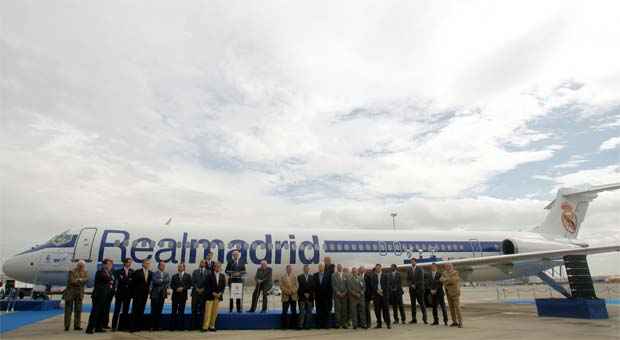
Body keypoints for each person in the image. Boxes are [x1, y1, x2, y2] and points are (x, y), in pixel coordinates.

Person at [86, 259, 114, 334]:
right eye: (108, 264)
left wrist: (111, 279)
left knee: (102, 312)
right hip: (98, 295)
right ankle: (90, 328)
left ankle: (99, 327)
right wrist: (110, 279)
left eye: (111, 264)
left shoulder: (109, 272)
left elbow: (112, 280)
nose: (110, 266)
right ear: (104, 265)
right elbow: (108, 279)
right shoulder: (100, 272)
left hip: (105, 295)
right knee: (95, 312)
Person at [64, 260, 88, 331]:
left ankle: (77, 326)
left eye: (82, 266)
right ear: (77, 265)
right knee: (68, 310)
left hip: (79, 294)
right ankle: (67, 326)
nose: (81, 267)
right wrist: (81, 281)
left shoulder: (85, 272)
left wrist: (78, 280)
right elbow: (72, 281)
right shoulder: (72, 271)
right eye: (80, 265)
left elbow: (86, 280)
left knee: (78, 310)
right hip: (70, 293)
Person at [130, 259, 152, 333]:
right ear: (143, 264)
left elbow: (149, 284)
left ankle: (138, 327)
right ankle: (132, 327)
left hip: (144, 295)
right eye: (146, 263)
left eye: (149, 263)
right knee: (135, 310)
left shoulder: (150, 273)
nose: (148, 265)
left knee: (141, 310)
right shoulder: (137, 272)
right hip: (137, 294)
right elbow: (133, 283)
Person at [203, 262, 226, 332]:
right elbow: (206, 286)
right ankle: (205, 327)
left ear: (220, 267)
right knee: (208, 312)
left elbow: (223, 286)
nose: (217, 268)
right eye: (216, 266)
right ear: (214, 267)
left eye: (219, 266)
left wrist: (220, 293)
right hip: (210, 296)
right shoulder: (209, 275)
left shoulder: (222, 276)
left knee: (215, 312)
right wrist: (213, 293)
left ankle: (212, 326)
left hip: (217, 297)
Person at [111, 258, 133, 331]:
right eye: (128, 262)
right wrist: (127, 280)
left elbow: (131, 282)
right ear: (125, 263)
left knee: (125, 311)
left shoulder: (132, 271)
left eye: (130, 262)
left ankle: (123, 327)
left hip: (128, 294)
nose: (130, 264)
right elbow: (118, 281)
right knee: (116, 311)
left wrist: (125, 280)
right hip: (120, 293)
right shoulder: (118, 271)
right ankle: (114, 326)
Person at [170, 262, 192, 331]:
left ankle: (180, 327)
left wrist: (183, 288)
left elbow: (189, 285)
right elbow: (171, 285)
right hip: (175, 296)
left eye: (181, 267)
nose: (179, 268)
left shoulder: (188, 276)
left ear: (184, 268)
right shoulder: (174, 276)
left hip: (183, 296)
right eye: (178, 267)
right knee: (174, 312)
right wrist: (176, 288)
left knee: (181, 312)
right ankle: (172, 327)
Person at [406, 258, 427, 324]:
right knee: (413, 304)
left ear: (415, 262)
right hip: (412, 290)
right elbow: (408, 279)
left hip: (419, 289)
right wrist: (411, 285)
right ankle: (414, 319)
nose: (412, 262)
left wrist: (415, 284)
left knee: (421, 303)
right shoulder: (409, 270)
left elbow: (421, 279)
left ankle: (424, 319)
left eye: (413, 261)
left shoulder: (420, 269)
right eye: (411, 262)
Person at [440, 263, 462, 328]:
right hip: (448, 292)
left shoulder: (455, 272)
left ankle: (460, 322)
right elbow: (441, 279)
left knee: (457, 308)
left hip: (455, 293)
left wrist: (446, 280)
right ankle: (454, 322)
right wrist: (447, 279)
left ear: (450, 266)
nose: (446, 267)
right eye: (445, 266)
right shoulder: (444, 273)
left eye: (447, 266)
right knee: (451, 308)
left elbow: (453, 281)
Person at [150, 260, 170, 330]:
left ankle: (157, 326)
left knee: (159, 310)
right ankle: (152, 326)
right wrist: (162, 280)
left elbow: (168, 281)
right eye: (161, 265)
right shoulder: (154, 273)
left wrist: (160, 280)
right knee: (153, 310)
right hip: (155, 294)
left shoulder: (166, 273)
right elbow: (155, 281)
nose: (163, 266)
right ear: (158, 266)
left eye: (164, 265)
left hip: (162, 294)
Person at [370, 264, 391, 329]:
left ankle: (388, 324)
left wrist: (382, 290)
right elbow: (372, 285)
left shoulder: (385, 275)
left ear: (380, 268)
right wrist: (377, 290)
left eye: (378, 268)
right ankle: (379, 324)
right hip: (376, 296)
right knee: (377, 310)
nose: (377, 269)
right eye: (376, 268)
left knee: (386, 310)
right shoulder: (373, 276)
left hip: (384, 295)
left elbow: (387, 284)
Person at [313, 263, 332, 329]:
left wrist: (329, 297)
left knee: (326, 311)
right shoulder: (315, 275)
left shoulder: (329, 275)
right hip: (318, 298)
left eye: (322, 266)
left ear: (324, 267)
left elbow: (330, 287)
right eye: (319, 266)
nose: (320, 267)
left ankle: (327, 325)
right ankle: (319, 325)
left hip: (326, 297)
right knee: (318, 312)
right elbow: (314, 287)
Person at [191, 260, 209, 330]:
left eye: (204, 263)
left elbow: (208, 283)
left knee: (203, 311)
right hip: (195, 293)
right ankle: (193, 326)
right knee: (194, 310)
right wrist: (197, 288)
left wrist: (203, 289)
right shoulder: (195, 271)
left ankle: (202, 326)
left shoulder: (208, 272)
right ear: (199, 263)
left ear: (205, 264)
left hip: (204, 294)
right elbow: (193, 281)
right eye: (201, 262)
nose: (202, 263)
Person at [280, 264, 299, 329]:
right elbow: (281, 286)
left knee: (294, 311)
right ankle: (284, 326)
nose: (289, 270)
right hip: (285, 296)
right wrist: (287, 291)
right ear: (286, 269)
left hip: (293, 296)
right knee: (284, 312)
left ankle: (293, 325)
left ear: (291, 269)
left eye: (290, 269)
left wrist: (292, 291)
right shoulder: (282, 277)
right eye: (288, 269)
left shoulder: (295, 276)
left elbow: (297, 286)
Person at [297, 264, 315, 329]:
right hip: (302, 297)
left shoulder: (312, 277)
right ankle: (300, 325)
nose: (306, 269)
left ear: (309, 269)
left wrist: (309, 294)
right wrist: (304, 293)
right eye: (305, 268)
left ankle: (307, 326)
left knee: (309, 312)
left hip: (310, 298)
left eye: (307, 268)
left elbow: (313, 287)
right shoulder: (299, 277)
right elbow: (299, 288)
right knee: (301, 312)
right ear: (303, 269)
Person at [332, 264, 349, 329]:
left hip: (345, 295)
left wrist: (344, 293)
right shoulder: (333, 275)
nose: (339, 268)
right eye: (338, 267)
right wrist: (338, 292)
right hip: (337, 295)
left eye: (340, 267)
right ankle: (337, 324)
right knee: (338, 310)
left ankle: (344, 323)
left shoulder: (346, 275)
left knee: (344, 310)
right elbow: (333, 285)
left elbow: (348, 285)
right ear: (337, 268)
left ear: (342, 268)